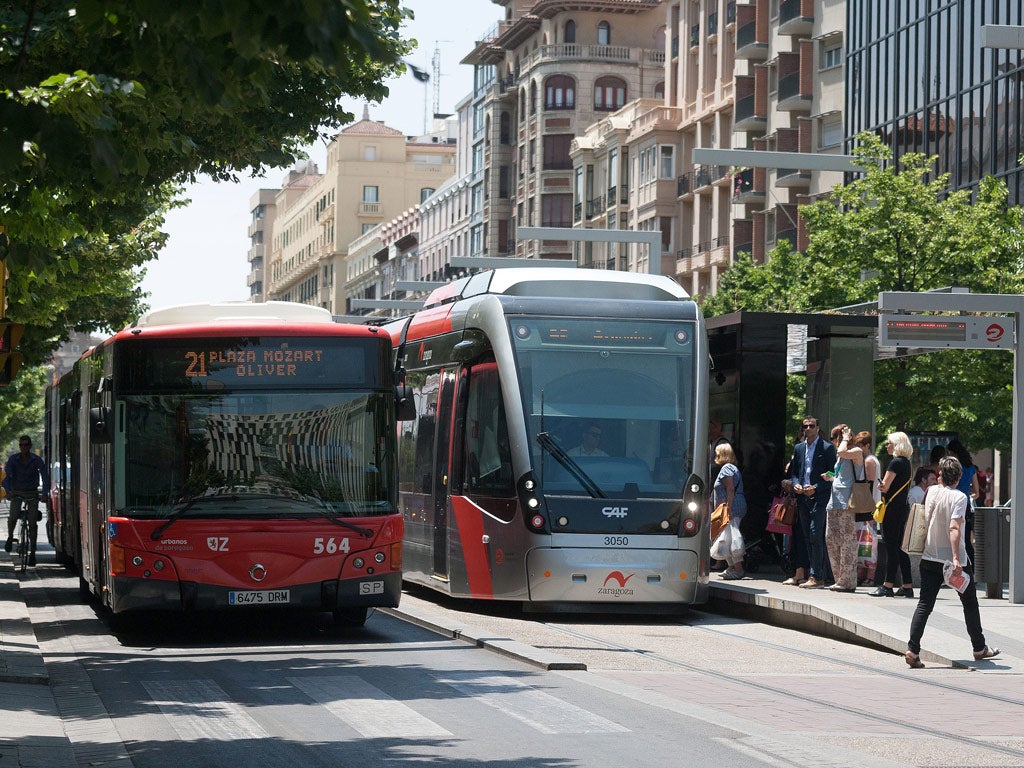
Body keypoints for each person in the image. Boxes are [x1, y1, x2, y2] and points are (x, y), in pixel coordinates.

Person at [904, 455, 1000, 669]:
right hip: (953, 560)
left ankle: (913, 649)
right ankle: (979, 647)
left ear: (940, 475)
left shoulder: (931, 492)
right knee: (970, 603)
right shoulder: (959, 497)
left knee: (924, 604)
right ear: (958, 477)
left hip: (929, 556)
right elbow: (954, 528)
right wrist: (957, 559)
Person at [784, 416, 836, 589]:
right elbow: (795, 472)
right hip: (802, 497)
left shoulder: (827, 448)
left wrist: (816, 487)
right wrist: (796, 483)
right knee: (806, 535)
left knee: (815, 534)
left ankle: (817, 576)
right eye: (805, 426)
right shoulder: (799, 448)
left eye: (811, 426)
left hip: (819, 497)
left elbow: (832, 474)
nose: (807, 429)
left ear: (818, 427)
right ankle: (812, 574)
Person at [871, 431, 914, 598]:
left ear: (896, 445)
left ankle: (887, 585)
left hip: (891, 509)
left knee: (891, 546)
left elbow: (885, 487)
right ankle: (907, 585)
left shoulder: (895, 463)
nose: (887, 445)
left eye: (889, 443)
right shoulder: (907, 464)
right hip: (902, 508)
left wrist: (880, 485)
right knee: (900, 547)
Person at [823, 425, 863, 592]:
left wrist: (845, 438)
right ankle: (839, 578)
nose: (833, 442)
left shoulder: (855, 451)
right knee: (831, 540)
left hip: (847, 503)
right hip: (834, 502)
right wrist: (830, 477)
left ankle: (847, 581)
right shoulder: (841, 456)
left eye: (834, 438)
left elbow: (841, 452)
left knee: (847, 543)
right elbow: (842, 476)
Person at [3, 436, 51, 566]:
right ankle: (9, 537)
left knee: (32, 522)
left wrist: (45, 494)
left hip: (32, 493)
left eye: (26, 445)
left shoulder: (36, 460)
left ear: (30, 446)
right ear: (19, 446)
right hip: (17, 492)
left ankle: (33, 552)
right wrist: (8, 491)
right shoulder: (13, 459)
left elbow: (45, 477)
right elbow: (7, 477)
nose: (23, 447)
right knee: (13, 517)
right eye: (21, 445)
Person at [711, 443, 747, 580]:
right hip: (733, 507)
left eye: (716, 453)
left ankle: (738, 570)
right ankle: (732, 567)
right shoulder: (731, 468)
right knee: (727, 538)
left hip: (732, 508)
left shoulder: (727, 468)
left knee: (732, 539)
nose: (715, 456)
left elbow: (730, 489)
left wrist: (729, 508)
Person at [946, 439, 979, 564]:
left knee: (950, 537)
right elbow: (977, 493)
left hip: (951, 504)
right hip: (965, 505)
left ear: (951, 452)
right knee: (965, 540)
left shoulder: (951, 467)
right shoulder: (971, 468)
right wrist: (969, 496)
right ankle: (971, 571)